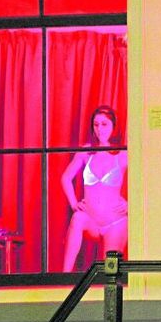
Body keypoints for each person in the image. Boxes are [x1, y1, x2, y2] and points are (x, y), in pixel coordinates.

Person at [61, 105, 128, 272]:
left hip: (114, 222)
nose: (100, 129)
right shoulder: (86, 152)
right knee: (77, 218)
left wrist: (130, 204)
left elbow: (144, 180)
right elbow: (65, 178)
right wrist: (73, 203)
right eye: (96, 124)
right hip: (90, 220)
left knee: (109, 275)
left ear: (114, 126)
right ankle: (64, 277)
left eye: (104, 124)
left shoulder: (122, 154)